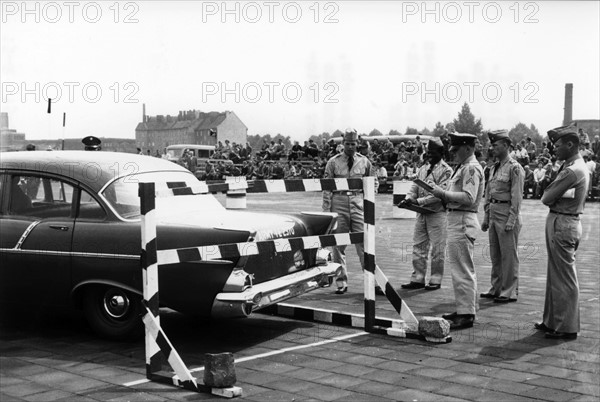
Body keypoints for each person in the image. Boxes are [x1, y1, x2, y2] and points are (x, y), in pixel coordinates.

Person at [536, 124, 589, 339]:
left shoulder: (571, 170)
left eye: (557, 145)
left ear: (570, 144)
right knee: (555, 275)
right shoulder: (574, 166)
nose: (553, 149)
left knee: (564, 277)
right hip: (562, 219)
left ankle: (566, 326)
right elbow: (558, 194)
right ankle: (552, 320)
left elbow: (546, 197)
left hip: (563, 222)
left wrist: (552, 192)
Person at [429, 132, 484, 330]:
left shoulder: (470, 168)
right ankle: (464, 309)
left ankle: (467, 313)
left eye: (457, 149)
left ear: (468, 148)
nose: (454, 154)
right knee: (459, 268)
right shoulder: (463, 167)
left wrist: (442, 193)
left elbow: (469, 197)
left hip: (462, 219)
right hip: (457, 218)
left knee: (462, 269)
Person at [323, 128, 381, 295]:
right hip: (338, 202)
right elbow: (327, 188)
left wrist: (368, 200)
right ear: (343, 144)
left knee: (364, 243)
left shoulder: (365, 162)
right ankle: (341, 282)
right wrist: (327, 211)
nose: (350, 146)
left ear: (357, 144)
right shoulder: (333, 162)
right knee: (338, 245)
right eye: (347, 143)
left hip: (357, 202)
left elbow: (374, 182)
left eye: (353, 144)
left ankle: (373, 281)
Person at [399, 138, 453, 291]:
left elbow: (440, 194)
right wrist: (408, 199)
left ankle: (436, 278)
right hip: (421, 213)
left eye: (433, 153)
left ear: (441, 153)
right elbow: (414, 187)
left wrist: (419, 202)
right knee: (418, 246)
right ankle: (418, 277)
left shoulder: (447, 170)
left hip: (437, 212)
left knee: (437, 248)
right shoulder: (423, 168)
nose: (429, 155)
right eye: (428, 152)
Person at [480, 130, 525, 304]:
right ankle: (496, 287)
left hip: (507, 213)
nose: (492, 148)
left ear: (506, 145)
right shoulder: (493, 168)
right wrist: (486, 216)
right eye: (491, 145)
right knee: (495, 254)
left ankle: (509, 290)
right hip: (494, 212)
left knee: (509, 254)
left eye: (495, 145)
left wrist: (512, 219)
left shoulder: (515, 167)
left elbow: (517, 196)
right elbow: (488, 193)